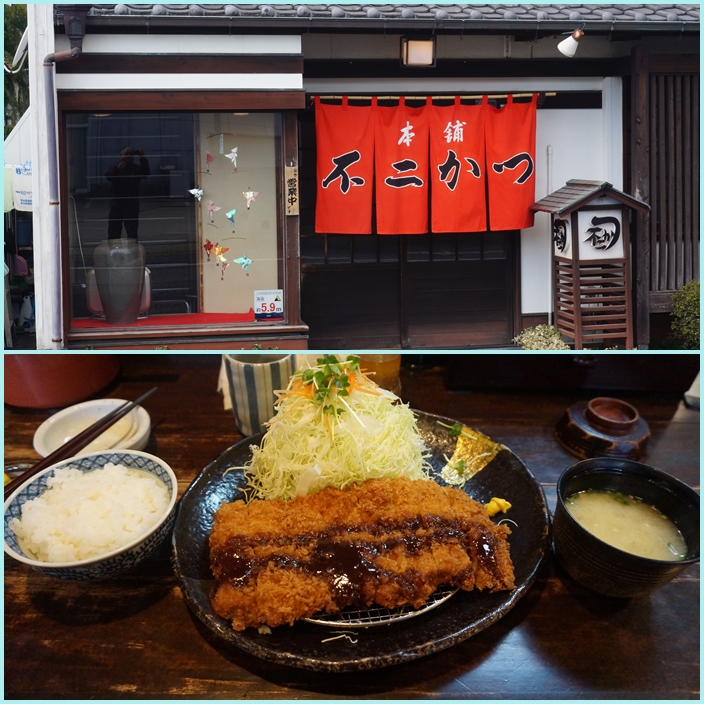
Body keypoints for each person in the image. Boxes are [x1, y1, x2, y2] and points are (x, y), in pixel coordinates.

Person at [105, 147, 150, 239]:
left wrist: (142, 157)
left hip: (131, 205)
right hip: (117, 204)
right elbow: (108, 176)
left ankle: (132, 250)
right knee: (114, 230)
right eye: (126, 154)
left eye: (131, 154)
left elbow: (145, 172)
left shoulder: (135, 169)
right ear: (121, 156)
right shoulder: (116, 168)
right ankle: (114, 250)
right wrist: (117, 169)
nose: (128, 156)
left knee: (132, 232)